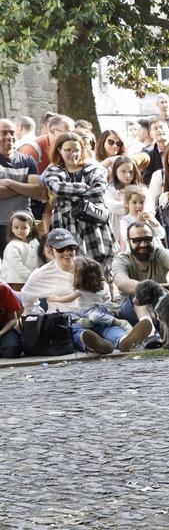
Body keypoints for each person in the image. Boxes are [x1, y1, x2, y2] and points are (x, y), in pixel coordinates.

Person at [21, 228, 152, 354]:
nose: (67, 253)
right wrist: (39, 313)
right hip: (69, 318)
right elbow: (26, 296)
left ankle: (123, 340)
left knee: (107, 325)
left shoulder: (86, 265)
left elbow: (102, 286)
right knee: (76, 331)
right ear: (50, 250)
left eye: (70, 248)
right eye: (61, 249)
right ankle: (93, 346)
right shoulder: (41, 274)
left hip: (94, 310)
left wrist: (106, 306)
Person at [41, 132, 117, 267]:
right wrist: (83, 187)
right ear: (59, 150)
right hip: (66, 223)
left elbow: (98, 193)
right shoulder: (54, 171)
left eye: (76, 150)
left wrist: (69, 194)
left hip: (92, 221)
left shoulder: (94, 168)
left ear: (82, 150)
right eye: (68, 150)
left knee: (99, 265)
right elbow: (57, 188)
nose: (73, 153)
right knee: (70, 266)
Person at [0, 118, 44, 254]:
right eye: (4, 133)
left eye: (12, 132)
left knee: (31, 262)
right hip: (1, 224)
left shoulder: (27, 160)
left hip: (25, 224)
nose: (9, 137)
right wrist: (25, 187)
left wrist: (9, 183)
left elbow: (38, 192)